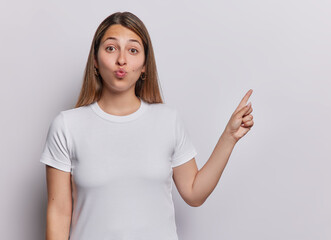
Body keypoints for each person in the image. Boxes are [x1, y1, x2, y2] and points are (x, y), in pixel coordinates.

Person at [39, 11, 254, 240]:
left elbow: (194, 193)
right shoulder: (67, 126)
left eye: (133, 50)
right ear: (94, 59)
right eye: (111, 48)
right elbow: (59, 213)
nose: (122, 59)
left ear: (144, 66)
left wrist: (229, 137)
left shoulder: (168, 121)